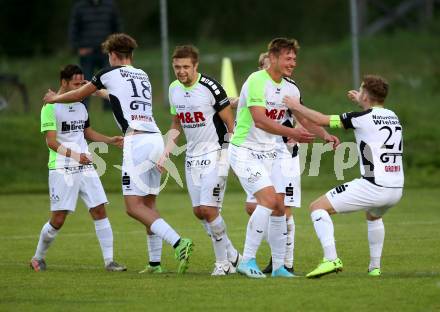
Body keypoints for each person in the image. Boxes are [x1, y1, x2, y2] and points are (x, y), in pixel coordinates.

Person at [43, 33, 194, 274]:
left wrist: (55, 98)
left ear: (112, 55)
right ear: (130, 55)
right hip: (155, 137)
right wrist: (96, 91)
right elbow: (117, 96)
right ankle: (155, 263)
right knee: (149, 204)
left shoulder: (106, 73)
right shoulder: (142, 74)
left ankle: (178, 242)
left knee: (133, 207)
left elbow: (78, 95)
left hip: (136, 141)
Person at [283, 75, 404, 278]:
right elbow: (374, 114)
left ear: (365, 95)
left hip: (374, 186)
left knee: (317, 207)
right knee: (373, 216)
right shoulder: (392, 115)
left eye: (361, 91)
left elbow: (321, 120)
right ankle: (375, 268)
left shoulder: (360, 118)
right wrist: (362, 101)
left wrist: (296, 106)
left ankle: (331, 259)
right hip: (396, 187)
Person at [237, 49, 339, 275]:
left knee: (280, 207)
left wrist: (324, 135)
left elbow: (303, 118)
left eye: (294, 59)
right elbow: (259, 119)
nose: (292, 63)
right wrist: (293, 131)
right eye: (288, 59)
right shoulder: (255, 82)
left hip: (280, 154)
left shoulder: (290, 89)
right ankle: (248, 260)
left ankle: (281, 265)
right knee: (263, 204)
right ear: (270, 62)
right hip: (249, 151)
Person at [31, 64, 126, 272]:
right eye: (76, 83)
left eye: (83, 83)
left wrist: (110, 140)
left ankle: (110, 262)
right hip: (62, 168)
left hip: (85, 166)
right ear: (64, 83)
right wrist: (76, 156)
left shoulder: (81, 106)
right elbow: (51, 143)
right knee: (58, 218)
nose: (81, 87)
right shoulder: (50, 107)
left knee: (99, 209)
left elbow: (87, 133)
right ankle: (38, 257)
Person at [159, 45, 240, 275]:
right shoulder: (174, 88)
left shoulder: (211, 87)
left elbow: (230, 124)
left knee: (209, 209)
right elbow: (176, 124)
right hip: (192, 157)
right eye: (177, 67)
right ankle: (233, 256)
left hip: (215, 153)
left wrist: (230, 155)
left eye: (185, 66)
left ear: (196, 66)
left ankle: (222, 264)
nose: (181, 71)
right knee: (199, 212)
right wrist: (166, 152)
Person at [68, 0, 121, 110]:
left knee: (109, 80)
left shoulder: (110, 6)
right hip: (87, 53)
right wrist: (78, 47)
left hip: (106, 52)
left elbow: (117, 26)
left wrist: (115, 47)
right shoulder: (80, 7)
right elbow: (74, 28)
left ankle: (109, 108)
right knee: (86, 82)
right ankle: (84, 108)